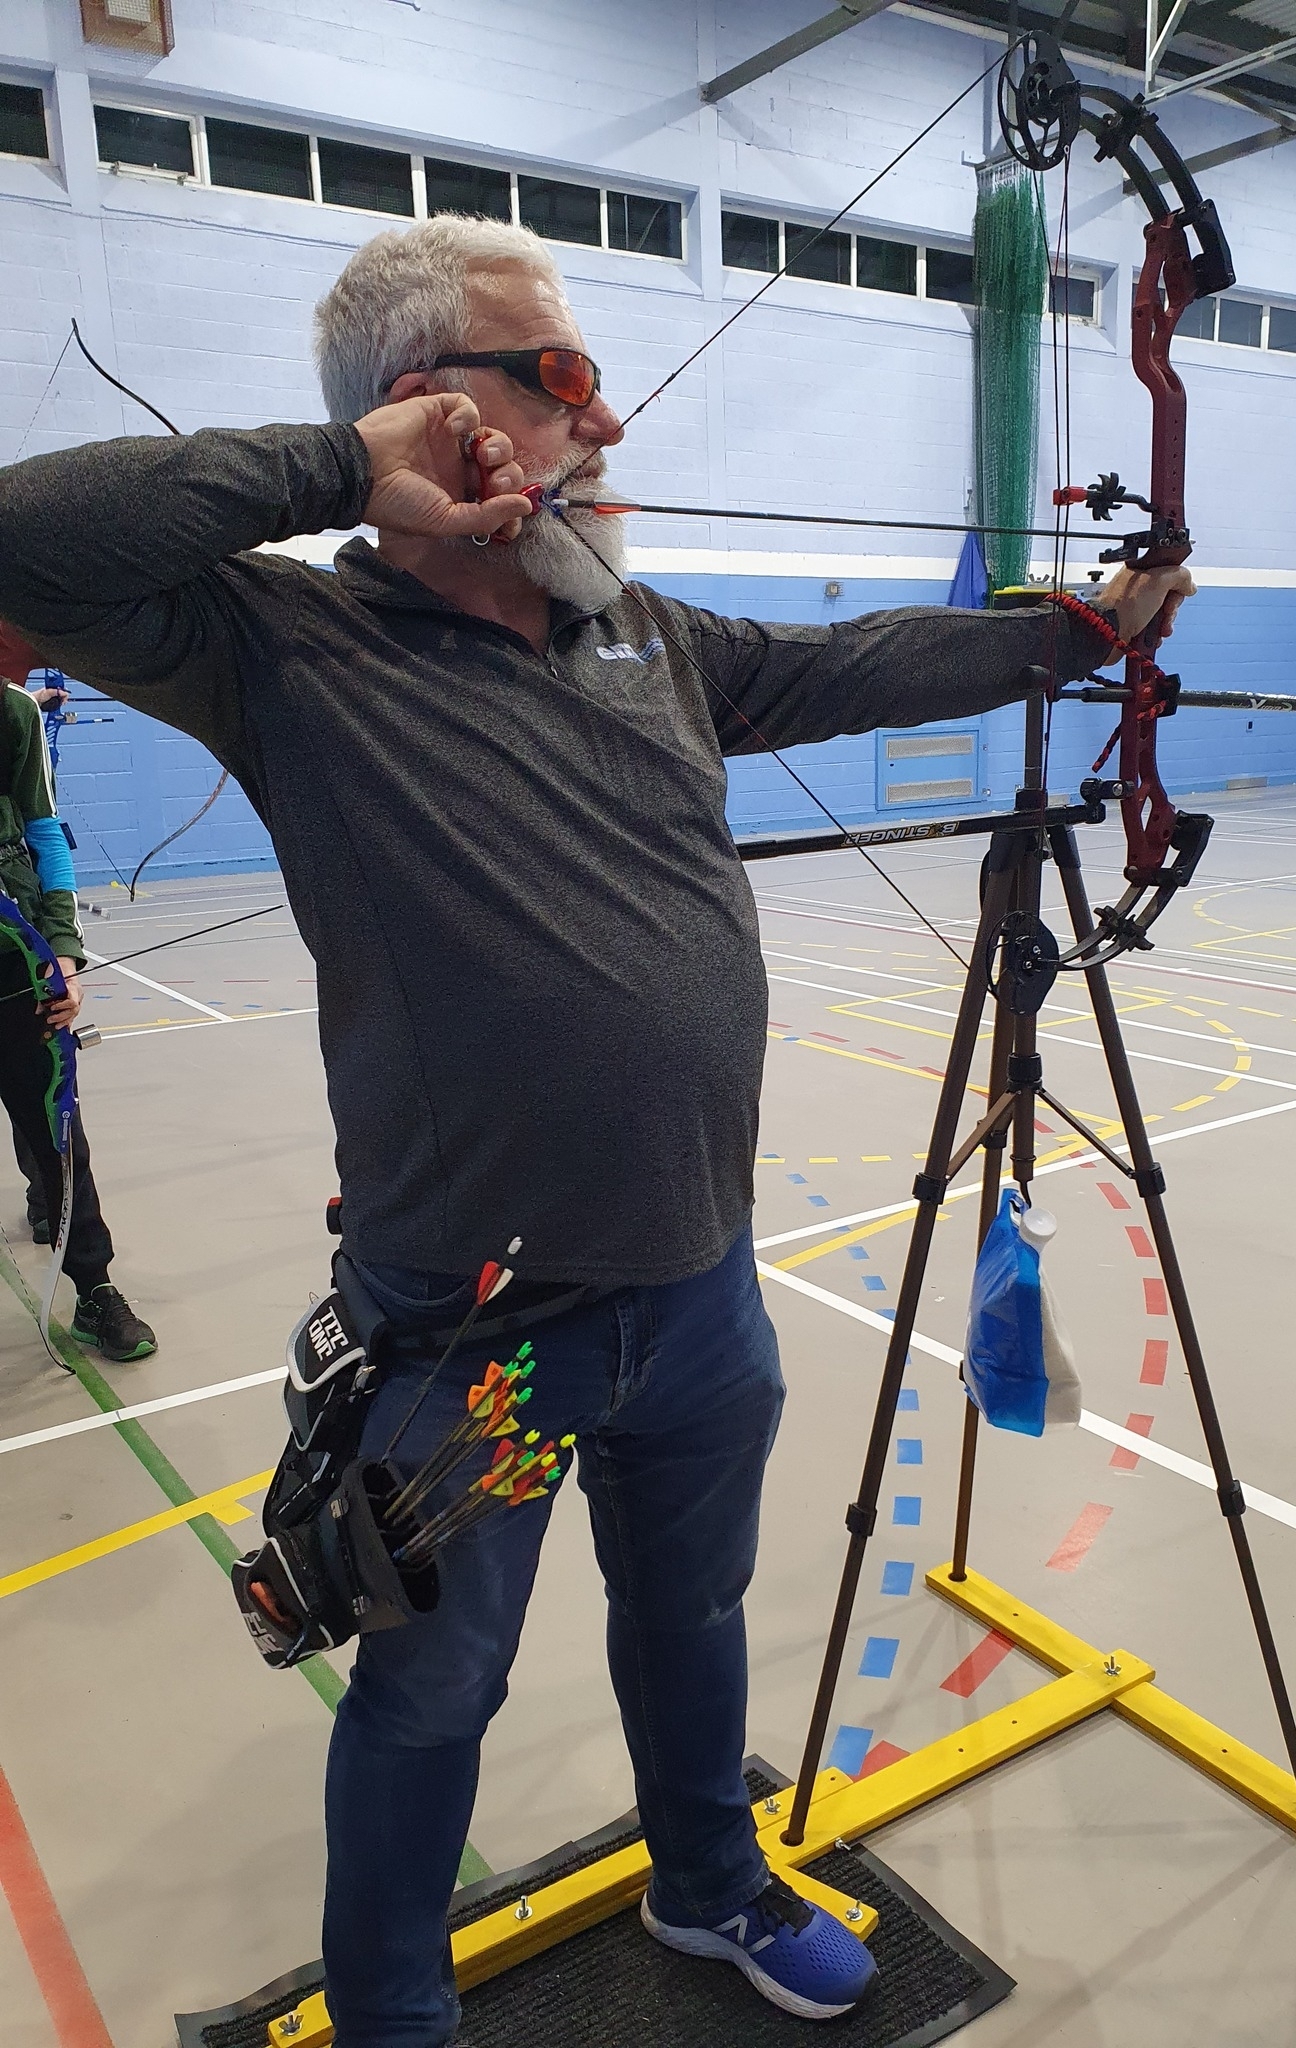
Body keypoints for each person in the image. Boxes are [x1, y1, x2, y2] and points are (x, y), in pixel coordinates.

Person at [0, 218, 1192, 2040]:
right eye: (560, 378)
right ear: (426, 409)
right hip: (475, 1323)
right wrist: (336, 470)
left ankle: (708, 1885)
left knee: (692, 1614)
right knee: (428, 1696)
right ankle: (396, 2017)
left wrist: (1077, 627)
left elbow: (860, 661)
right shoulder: (275, 637)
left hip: (701, 1291)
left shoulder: (644, 631)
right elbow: (17, 538)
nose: (607, 421)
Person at [0, 627, 157, 1363]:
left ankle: (92, 1287)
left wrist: (61, 950)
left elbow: (43, 833)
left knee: (57, 1134)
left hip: (16, 965)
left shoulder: (13, 714)